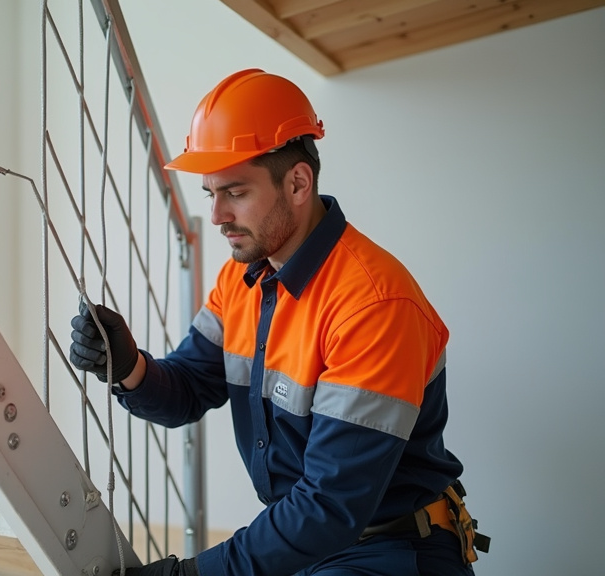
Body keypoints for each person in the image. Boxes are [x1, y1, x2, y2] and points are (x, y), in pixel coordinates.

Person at [69, 69, 488, 576]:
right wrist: (128, 367)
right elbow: (189, 388)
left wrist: (189, 574)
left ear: (297, 183)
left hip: (390, 551)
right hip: (304, 545)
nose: (217, 215)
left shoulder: (373, 305)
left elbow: (330, 504)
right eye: (210, 194)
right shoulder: (241, 278)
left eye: (235, 192)